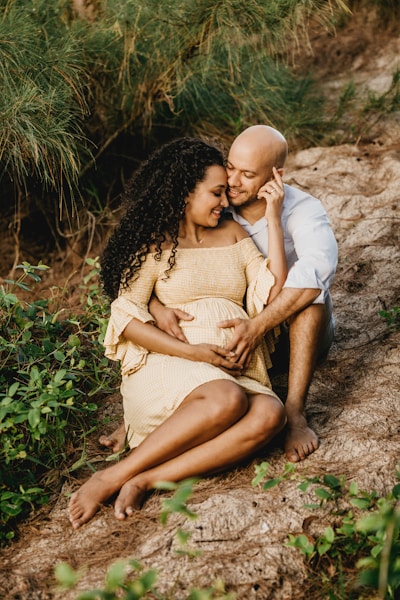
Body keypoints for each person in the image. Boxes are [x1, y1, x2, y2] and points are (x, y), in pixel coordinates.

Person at [69, 137, 287, 529]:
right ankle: (111, 476)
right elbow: (127, 318)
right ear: (186, 192)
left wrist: (273, 218)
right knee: (227, 398)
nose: (225, 201)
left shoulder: (234, 235)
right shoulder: (157, 243)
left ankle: (145, 478)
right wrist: (194, 353)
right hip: (173, 366)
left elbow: (272, 292)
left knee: (271, 415)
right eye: (216, 192)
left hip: (232, 369)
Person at [100, 125, 338, 464]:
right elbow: (132, 282)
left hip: (282, 336)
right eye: (231, 168)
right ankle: (140, 423)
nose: (233, 184)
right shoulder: (211, 208)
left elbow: (307, 278)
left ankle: (296, 412)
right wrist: (154, 304)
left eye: (247, 174)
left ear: (275, 177)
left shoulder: (301, 211)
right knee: (214, 388)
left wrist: (257, 327)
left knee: (308, 299)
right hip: (208, 344)